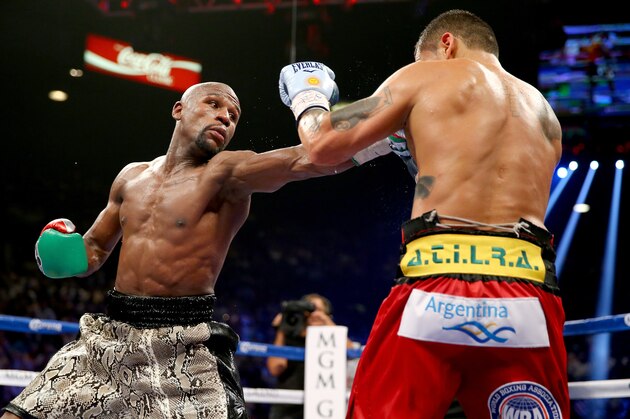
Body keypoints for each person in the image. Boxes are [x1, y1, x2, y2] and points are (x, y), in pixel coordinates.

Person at [1, 82, 356, 419]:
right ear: (178, 110)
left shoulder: (227, 174)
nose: (225, 117)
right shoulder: (131, 177)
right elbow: (94, 249)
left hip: (183, 341)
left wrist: (382, 134)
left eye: (234, 115)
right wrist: (64, 255)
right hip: (110, 336)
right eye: (214, 104)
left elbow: (307, 160)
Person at [278, 9, 568, 419]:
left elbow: (322, 145)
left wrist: (308, 96)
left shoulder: (427, 75)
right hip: (529, 288)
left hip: (437, 282)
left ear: (446, 44)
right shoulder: (544, 114)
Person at [266, 293, 360, 419]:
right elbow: (275, 369)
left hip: (323, 409)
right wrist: (282, 329)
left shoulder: (333, 341)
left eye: (318, 310)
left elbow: (352, 353)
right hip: (288, 408)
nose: (313, 315)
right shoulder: (288, 338)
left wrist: (326, 322)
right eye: (309, 310)